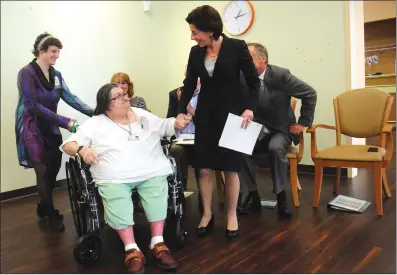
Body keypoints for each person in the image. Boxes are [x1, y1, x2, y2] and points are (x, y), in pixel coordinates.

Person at [61, 83, 191, 273]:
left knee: (157, 190)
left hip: (150, 169)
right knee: (116, 196)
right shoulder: (96, 123)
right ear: (106, 104)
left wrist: (176, 123)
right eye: (118, 96)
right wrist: (82, 149)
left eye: (124, 94)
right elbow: (68, 144)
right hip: (114, 175)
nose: (125, 98)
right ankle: (132, 249)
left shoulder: (141, 114)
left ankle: (158, 243)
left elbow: (165, 126)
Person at [179, 5, 260, 239]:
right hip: (205, 115)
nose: (192, 37)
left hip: (233, 116)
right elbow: (188, 84)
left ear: (210, 30)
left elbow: (255, 83)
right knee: (203, 167)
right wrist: (182, 110)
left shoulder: (237, 47)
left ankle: (232, 215)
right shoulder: (196, 53)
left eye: (195, 32)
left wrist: (250, 109)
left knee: (231, 168)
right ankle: (206, 214)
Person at [15, 32, 94, 232]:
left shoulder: (56, 75)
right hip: (32, 129)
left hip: (51, 127)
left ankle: (43, 205)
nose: (57, 55)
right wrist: (65, 121)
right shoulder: (26, 73)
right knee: (42, 172)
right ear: (41, 51)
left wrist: (96, 112)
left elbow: (70, 97)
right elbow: (31, 105)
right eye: (53, 51)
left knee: (52, 170)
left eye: (58, 52)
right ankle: (51, 213)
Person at [238, 43, 317, 217]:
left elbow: (310, 93)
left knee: (275, 148)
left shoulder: (281, 75)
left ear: (263, 60)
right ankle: (252, 196)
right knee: (240, 149)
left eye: (248, 59)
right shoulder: (243, 77)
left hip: (280, 128)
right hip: (257, 128)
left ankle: (281, 198)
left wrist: (303, 122)